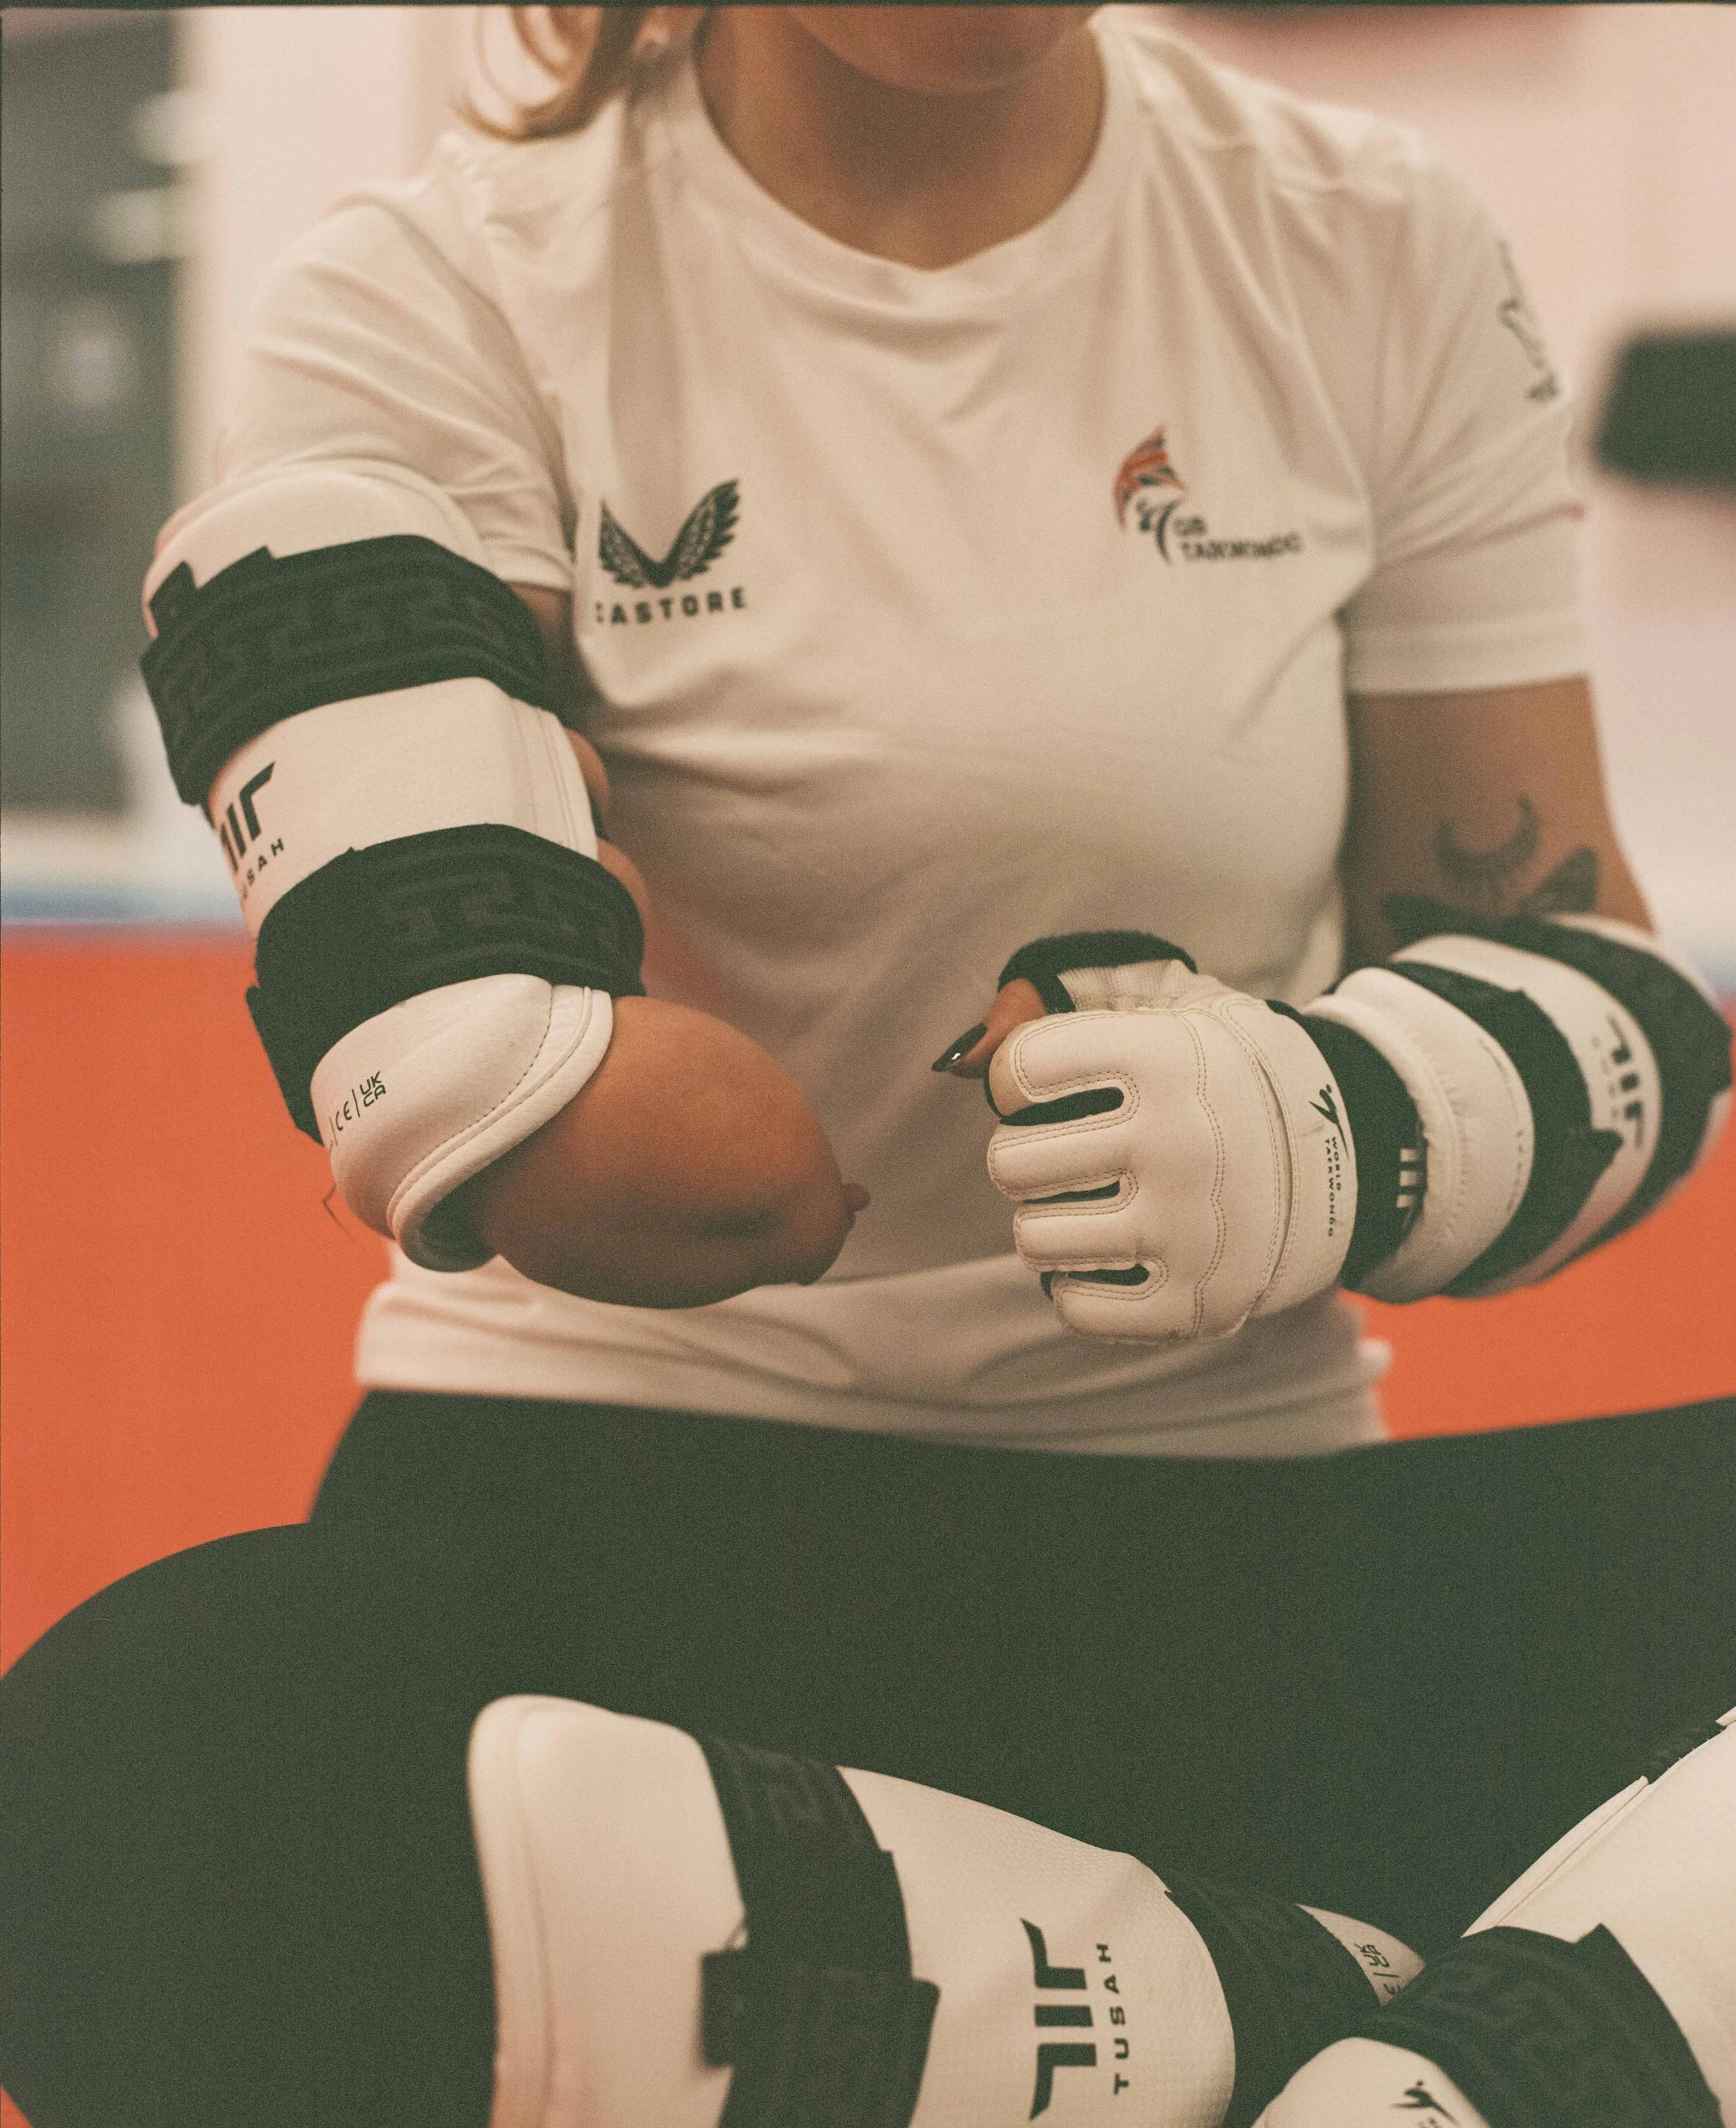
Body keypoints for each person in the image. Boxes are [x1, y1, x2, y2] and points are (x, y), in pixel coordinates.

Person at [2, 10, 1731, 2125]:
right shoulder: (446, 290)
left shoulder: (1357, 240)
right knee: (145, 1777)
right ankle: (1324, 2027)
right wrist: (505, 1066)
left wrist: (1345, 1123)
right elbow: (659, 1176)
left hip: (1242, 1572)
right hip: (620, 1561)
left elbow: (1592, 980)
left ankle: (1221, 2025)